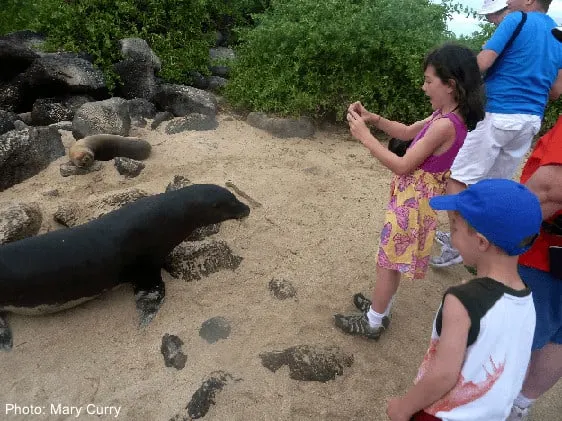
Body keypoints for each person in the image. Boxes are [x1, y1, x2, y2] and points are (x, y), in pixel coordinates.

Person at [333, 43, 485, 339]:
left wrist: (365, 137)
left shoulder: (445, 125)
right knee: (391, 259)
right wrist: (373, 119)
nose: (423, 86)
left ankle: (374, 321)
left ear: (451, 85)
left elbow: (403, 165)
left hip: (413, 202)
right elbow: (405, 132)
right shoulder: (444, 116)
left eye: (429, 81)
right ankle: (381, 307)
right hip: (416, 199)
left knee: (387, 261)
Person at [386, 179, 543, 421]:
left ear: (481, 242)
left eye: (455, 228)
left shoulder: (462, 301)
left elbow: (443, 376)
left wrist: (402, 409)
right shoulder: (526, 297)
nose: (452, 236)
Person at [431, 0, 562, 268]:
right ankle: (481, 243)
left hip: (498, 112)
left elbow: (482, 63)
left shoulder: (517, 19)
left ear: (529, 0)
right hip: (529, 121)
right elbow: (555, 91)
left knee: (458, 178)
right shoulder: (557, 35)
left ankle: (460, 244)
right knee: (491, 186)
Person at [505, 41, 562, 417]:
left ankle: (496, 402)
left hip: (545, 257)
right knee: (558, 336)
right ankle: (521, 405)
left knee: (518, 335)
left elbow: (551, 187)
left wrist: (498, 234)